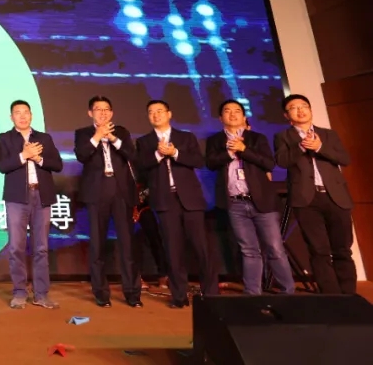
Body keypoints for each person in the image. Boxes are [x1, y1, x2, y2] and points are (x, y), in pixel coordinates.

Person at [206, 100, 294, 295]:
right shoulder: (215, 141)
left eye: (237, 111)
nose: (232, 114)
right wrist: (229, 152)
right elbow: (211, 163)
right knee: (248, 249)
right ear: (220, 118)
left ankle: (288, 291)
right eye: (227, 111)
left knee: (275, 248)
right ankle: (253, 293)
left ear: (244, 117)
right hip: (235, 202)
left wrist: (243, 149)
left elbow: (269, 164)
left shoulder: (256, 138)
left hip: (262, 201)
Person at [136, 99, 216, 308]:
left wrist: (175, 153)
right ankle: (179, 296)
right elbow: (141, 166)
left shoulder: (186, 137)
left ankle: (211, 295)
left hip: (190, 199)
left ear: (169, 114)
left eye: (160, 111)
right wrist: (158, 154)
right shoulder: (144, 142)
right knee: (173, 250)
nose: (156, 115)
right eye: (151, 112)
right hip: (165, 200)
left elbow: (198, 161)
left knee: (202, 248)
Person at [274, 94, 356, 295]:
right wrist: (301, 146)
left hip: (335, 197)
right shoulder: (283, 137)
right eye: (294, 108)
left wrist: (320, 147)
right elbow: (282, 161)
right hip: (306, 200)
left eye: (304, 106)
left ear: (310, 110)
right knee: (319, 251)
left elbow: (344, 159)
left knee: (342, 249)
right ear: (287, 115)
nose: (300, 110)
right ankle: (331, 296)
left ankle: (349, 295)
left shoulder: (328, 135)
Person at [74, 96, 141, 308]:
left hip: (121, 192)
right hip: (97, 193)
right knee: (97, 245)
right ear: (90, 113)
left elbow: (131, 155)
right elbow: (82, 155)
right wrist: (97, 136)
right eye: (98, 109)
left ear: (111, 113)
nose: (102, 113)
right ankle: (101, 294)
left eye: (106, 109)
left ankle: (132, 293)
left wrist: (112, 138)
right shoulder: (83, 133)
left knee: (127, 245)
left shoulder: (121, 132)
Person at [0, 100, 62, 309]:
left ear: (31, 115)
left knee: (41, 248)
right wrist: (24, 155)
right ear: (11, 117)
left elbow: (57, 164)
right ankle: (19, 292)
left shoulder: (44, 138)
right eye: (18, 112)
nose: (22, 116)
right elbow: (2, 165)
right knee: (16, 247)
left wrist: (38, 158)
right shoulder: (5, 138)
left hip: (42, 196)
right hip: (17, 198)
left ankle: (41, 294)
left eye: (26, 112)